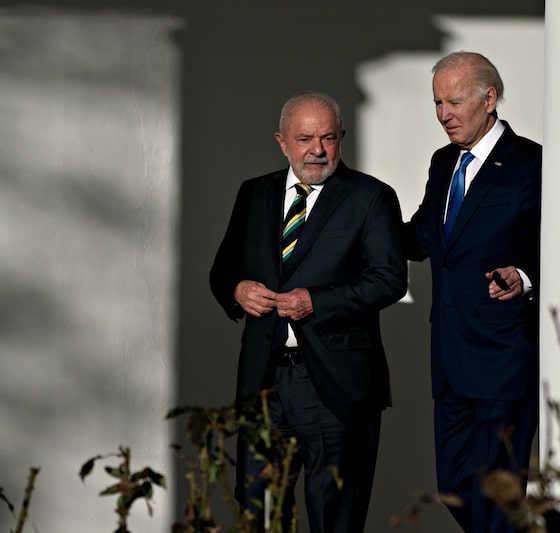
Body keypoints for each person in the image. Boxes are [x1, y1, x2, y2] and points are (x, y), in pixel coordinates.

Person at [209, 92, 407, 533]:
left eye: (328, 138)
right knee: (259, 514)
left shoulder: (371, 197)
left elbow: (389, 279)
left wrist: (317, 301)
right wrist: (238, 290)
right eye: (304, 139)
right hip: (264, 383)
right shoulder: (254, 193)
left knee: (334, 519)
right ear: (282, 142)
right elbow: (223, 271)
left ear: (341, 138)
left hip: (335, 387)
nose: (317, 150)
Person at [404, 51, 542, 532]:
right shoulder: (444, 162)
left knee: (499, 497)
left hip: (503, 357)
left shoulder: (531, 162)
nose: (444, 114)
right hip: (450, 358)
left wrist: (524, 277)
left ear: (489, 98)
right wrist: (362, 222)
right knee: (456, 486)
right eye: (437, 102)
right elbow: (425, 236)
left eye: (454, 101)